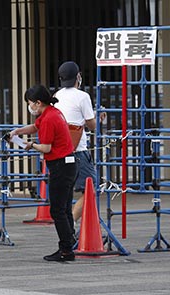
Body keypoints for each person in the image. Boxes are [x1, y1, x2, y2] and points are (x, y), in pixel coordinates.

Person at [9, 84, 77, 262]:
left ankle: (66, 249)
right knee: (65, 208)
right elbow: (34, 127)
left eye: (30, 103)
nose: (30, 106)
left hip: (60, 166)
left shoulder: (48, 119)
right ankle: (70, 243)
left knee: (57, 210)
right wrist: (18, 132)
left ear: (38, 103)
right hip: (69, 164)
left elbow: (46, 148)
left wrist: (30, 145)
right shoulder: (52, 112)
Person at [54, 61, 105, 224]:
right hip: (78, 150)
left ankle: (67, 225)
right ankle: (71, 224)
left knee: (66, 192)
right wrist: (100, 119)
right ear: (78, 77)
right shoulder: (83, 96)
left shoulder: (56, 95)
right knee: (91, 189)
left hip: (60, 151)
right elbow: (92, 125)